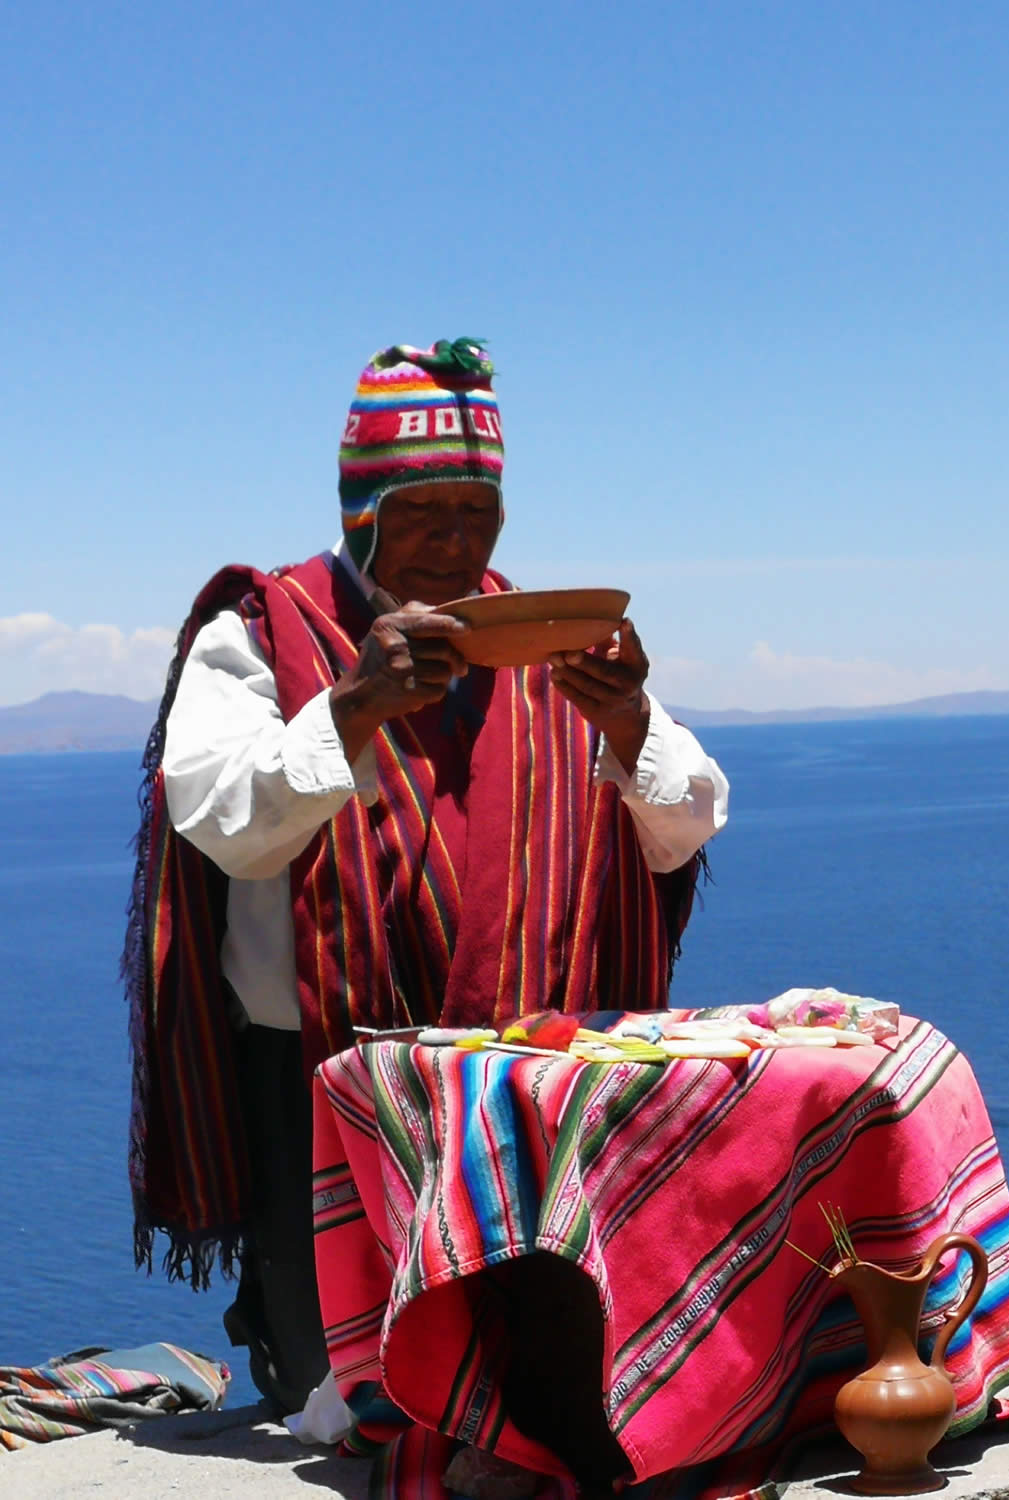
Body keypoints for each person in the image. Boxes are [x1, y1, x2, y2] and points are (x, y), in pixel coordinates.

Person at [124, 339, 728, 1414]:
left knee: (538, 1381)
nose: (456, 541)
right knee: (347, 1390)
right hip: (326, 1086)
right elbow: (222, 825)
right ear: (362, 511)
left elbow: (682, 827)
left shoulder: (544, 634)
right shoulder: (262, 631)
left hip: (532, 1090)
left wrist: (628, 720)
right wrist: (354, 706)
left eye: (477, 513)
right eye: (424, 514)